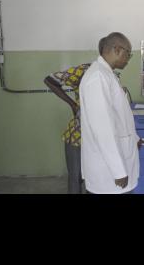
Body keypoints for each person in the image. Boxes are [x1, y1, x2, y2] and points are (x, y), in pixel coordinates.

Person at [79, 32, 144, 194]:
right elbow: (103, 128)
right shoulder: (98, 77)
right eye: (128, 53)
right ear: (116, 49)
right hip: (108, 172)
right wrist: (118, 171)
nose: (128, 59)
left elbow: (118, 116)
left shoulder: (106, 74)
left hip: (117, 162)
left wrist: (133, 138)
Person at [44, 63, 91, 194]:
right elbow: (50, 80)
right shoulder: (86, 70)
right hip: (77, 135)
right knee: (76, 178)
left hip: (97, 138)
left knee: (95, 178)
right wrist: (72, 104)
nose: (126, 59)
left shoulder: (112, 75)